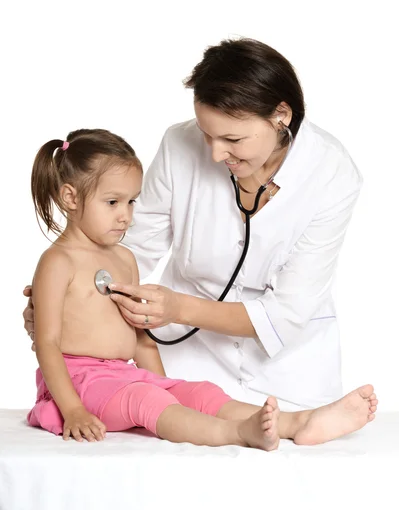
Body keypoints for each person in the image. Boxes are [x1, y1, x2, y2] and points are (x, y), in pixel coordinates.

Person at [24, 38, 364, 410]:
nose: (216, 153)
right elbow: (125, 247)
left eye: (233, 139)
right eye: (207, 134)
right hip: (188, 353)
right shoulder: (178, 144)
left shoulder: (332, 172)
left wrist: (179, 309)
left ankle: (298, 421)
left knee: (283, 433)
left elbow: (286, 312)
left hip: (289, 369)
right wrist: (69, 300)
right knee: (188, 415)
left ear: (281, 115)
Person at [26, 128, 377, 449]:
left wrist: (166, 387)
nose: (126, 216)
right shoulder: (58, 262)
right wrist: (72, 409)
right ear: (70, 198)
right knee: (148, 401)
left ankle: (298, 421)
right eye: (113, 202)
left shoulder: (123, 259)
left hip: (122, 376)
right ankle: (239, 433)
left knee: (198, 391)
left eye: (132, 202)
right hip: (80, 382)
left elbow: (142, 337)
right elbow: (47, 343)